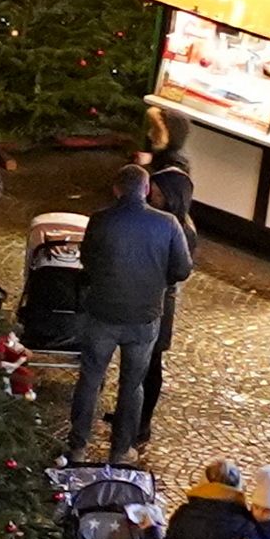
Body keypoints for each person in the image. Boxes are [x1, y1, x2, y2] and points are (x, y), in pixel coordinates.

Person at [68, 164, 194, 462]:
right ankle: (122, 448)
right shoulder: (168, 225)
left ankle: (77, 445)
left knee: (90, 378)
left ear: (116, 189)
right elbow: (182, 268)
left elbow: (88, 259)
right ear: (147, 189)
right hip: (144, 317)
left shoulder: (100, 220)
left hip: (102, 313)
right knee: (132, 384)